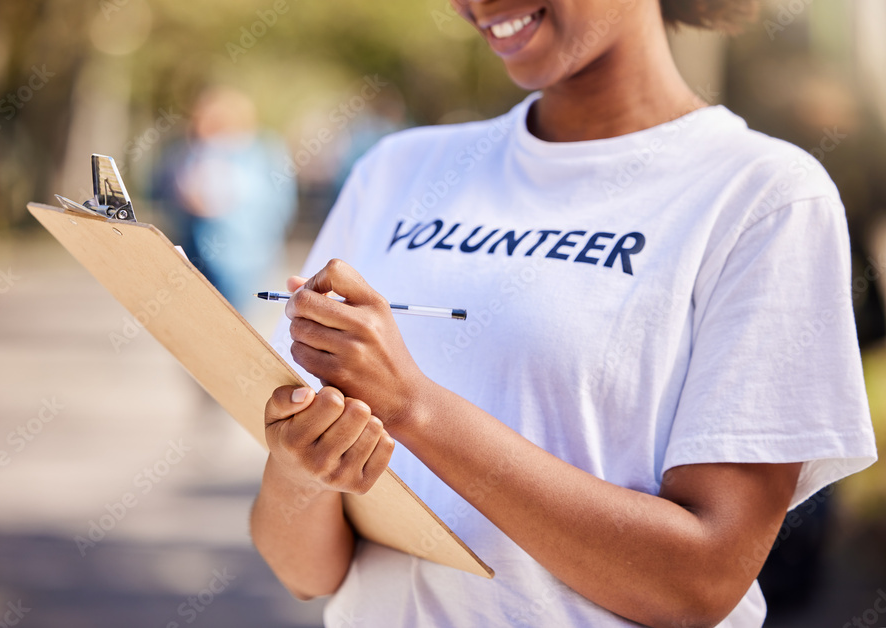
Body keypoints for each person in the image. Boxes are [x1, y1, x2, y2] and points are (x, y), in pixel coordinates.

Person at [249, 1, 879, 626]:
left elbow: (699, 582)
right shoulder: (397, 172)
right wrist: (303, 468)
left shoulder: (764, 196)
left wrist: (415, 407)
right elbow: (302, 572)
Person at [153, 86, 296, 312]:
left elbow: (278, 204)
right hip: (195, 251)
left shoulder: (263, 152)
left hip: (243, 258)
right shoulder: (192, 151)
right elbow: (165, 191)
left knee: (233, 320)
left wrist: (229, 202)